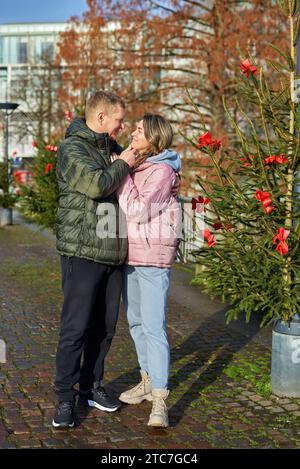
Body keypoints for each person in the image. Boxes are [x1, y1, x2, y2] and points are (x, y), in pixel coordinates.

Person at [52, 90, 137, 428]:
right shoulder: (73, 149)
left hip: (113, 251)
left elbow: (133, 166)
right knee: (75, 328)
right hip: (83, 251)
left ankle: (91, 386)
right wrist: (124, 163)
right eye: (118, 121)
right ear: (101, 118)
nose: (121, 127)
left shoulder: (109, 149)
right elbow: (97, 185)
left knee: (104, 328)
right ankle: (64, 398)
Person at [112, 114, 182, 427]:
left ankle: (160, 401)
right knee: (137, 323)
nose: (133, 132)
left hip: (153, 258)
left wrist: (121, 172)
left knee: (153, 327)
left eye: (139, 130)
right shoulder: (140, 165)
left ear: (153, 139)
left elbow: (139, 210)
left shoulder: (163, 171)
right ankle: (146, 380)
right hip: (131, 255)